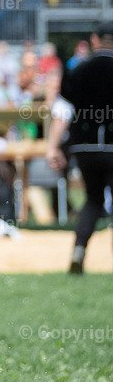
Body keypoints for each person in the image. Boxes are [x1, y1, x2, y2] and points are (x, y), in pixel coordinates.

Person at [46, 22, 113, 274]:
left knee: (93, 200)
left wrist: (52, 147)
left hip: (84, 147)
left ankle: (79, 250)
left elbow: (63, 113)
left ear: (95, 40)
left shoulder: (78, 70)